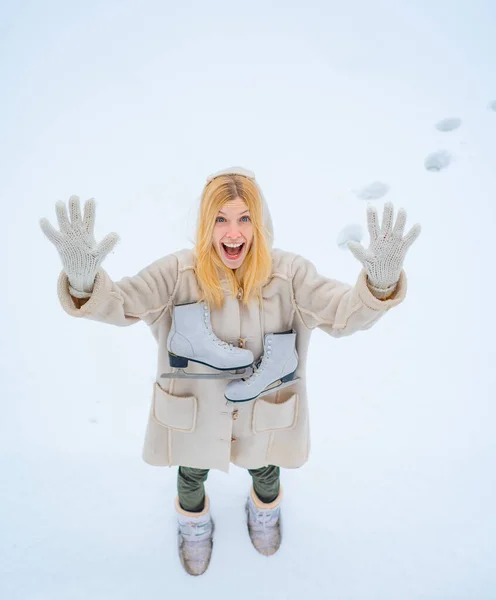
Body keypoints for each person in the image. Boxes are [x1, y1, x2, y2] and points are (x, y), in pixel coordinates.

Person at [40, 166, 421, 576]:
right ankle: (194, 525)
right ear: (206, 224)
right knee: (190, 476)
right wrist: (84, 283)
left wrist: (379, 286)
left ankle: (263, 513)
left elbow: (344, 315)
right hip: (194, 418)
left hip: (266, 418)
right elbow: (123, 302)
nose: (233, 232)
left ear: (260, 223)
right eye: (221, 219)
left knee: (267, 472)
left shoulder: (290, 275)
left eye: (244, 218)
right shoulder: (177, 273)